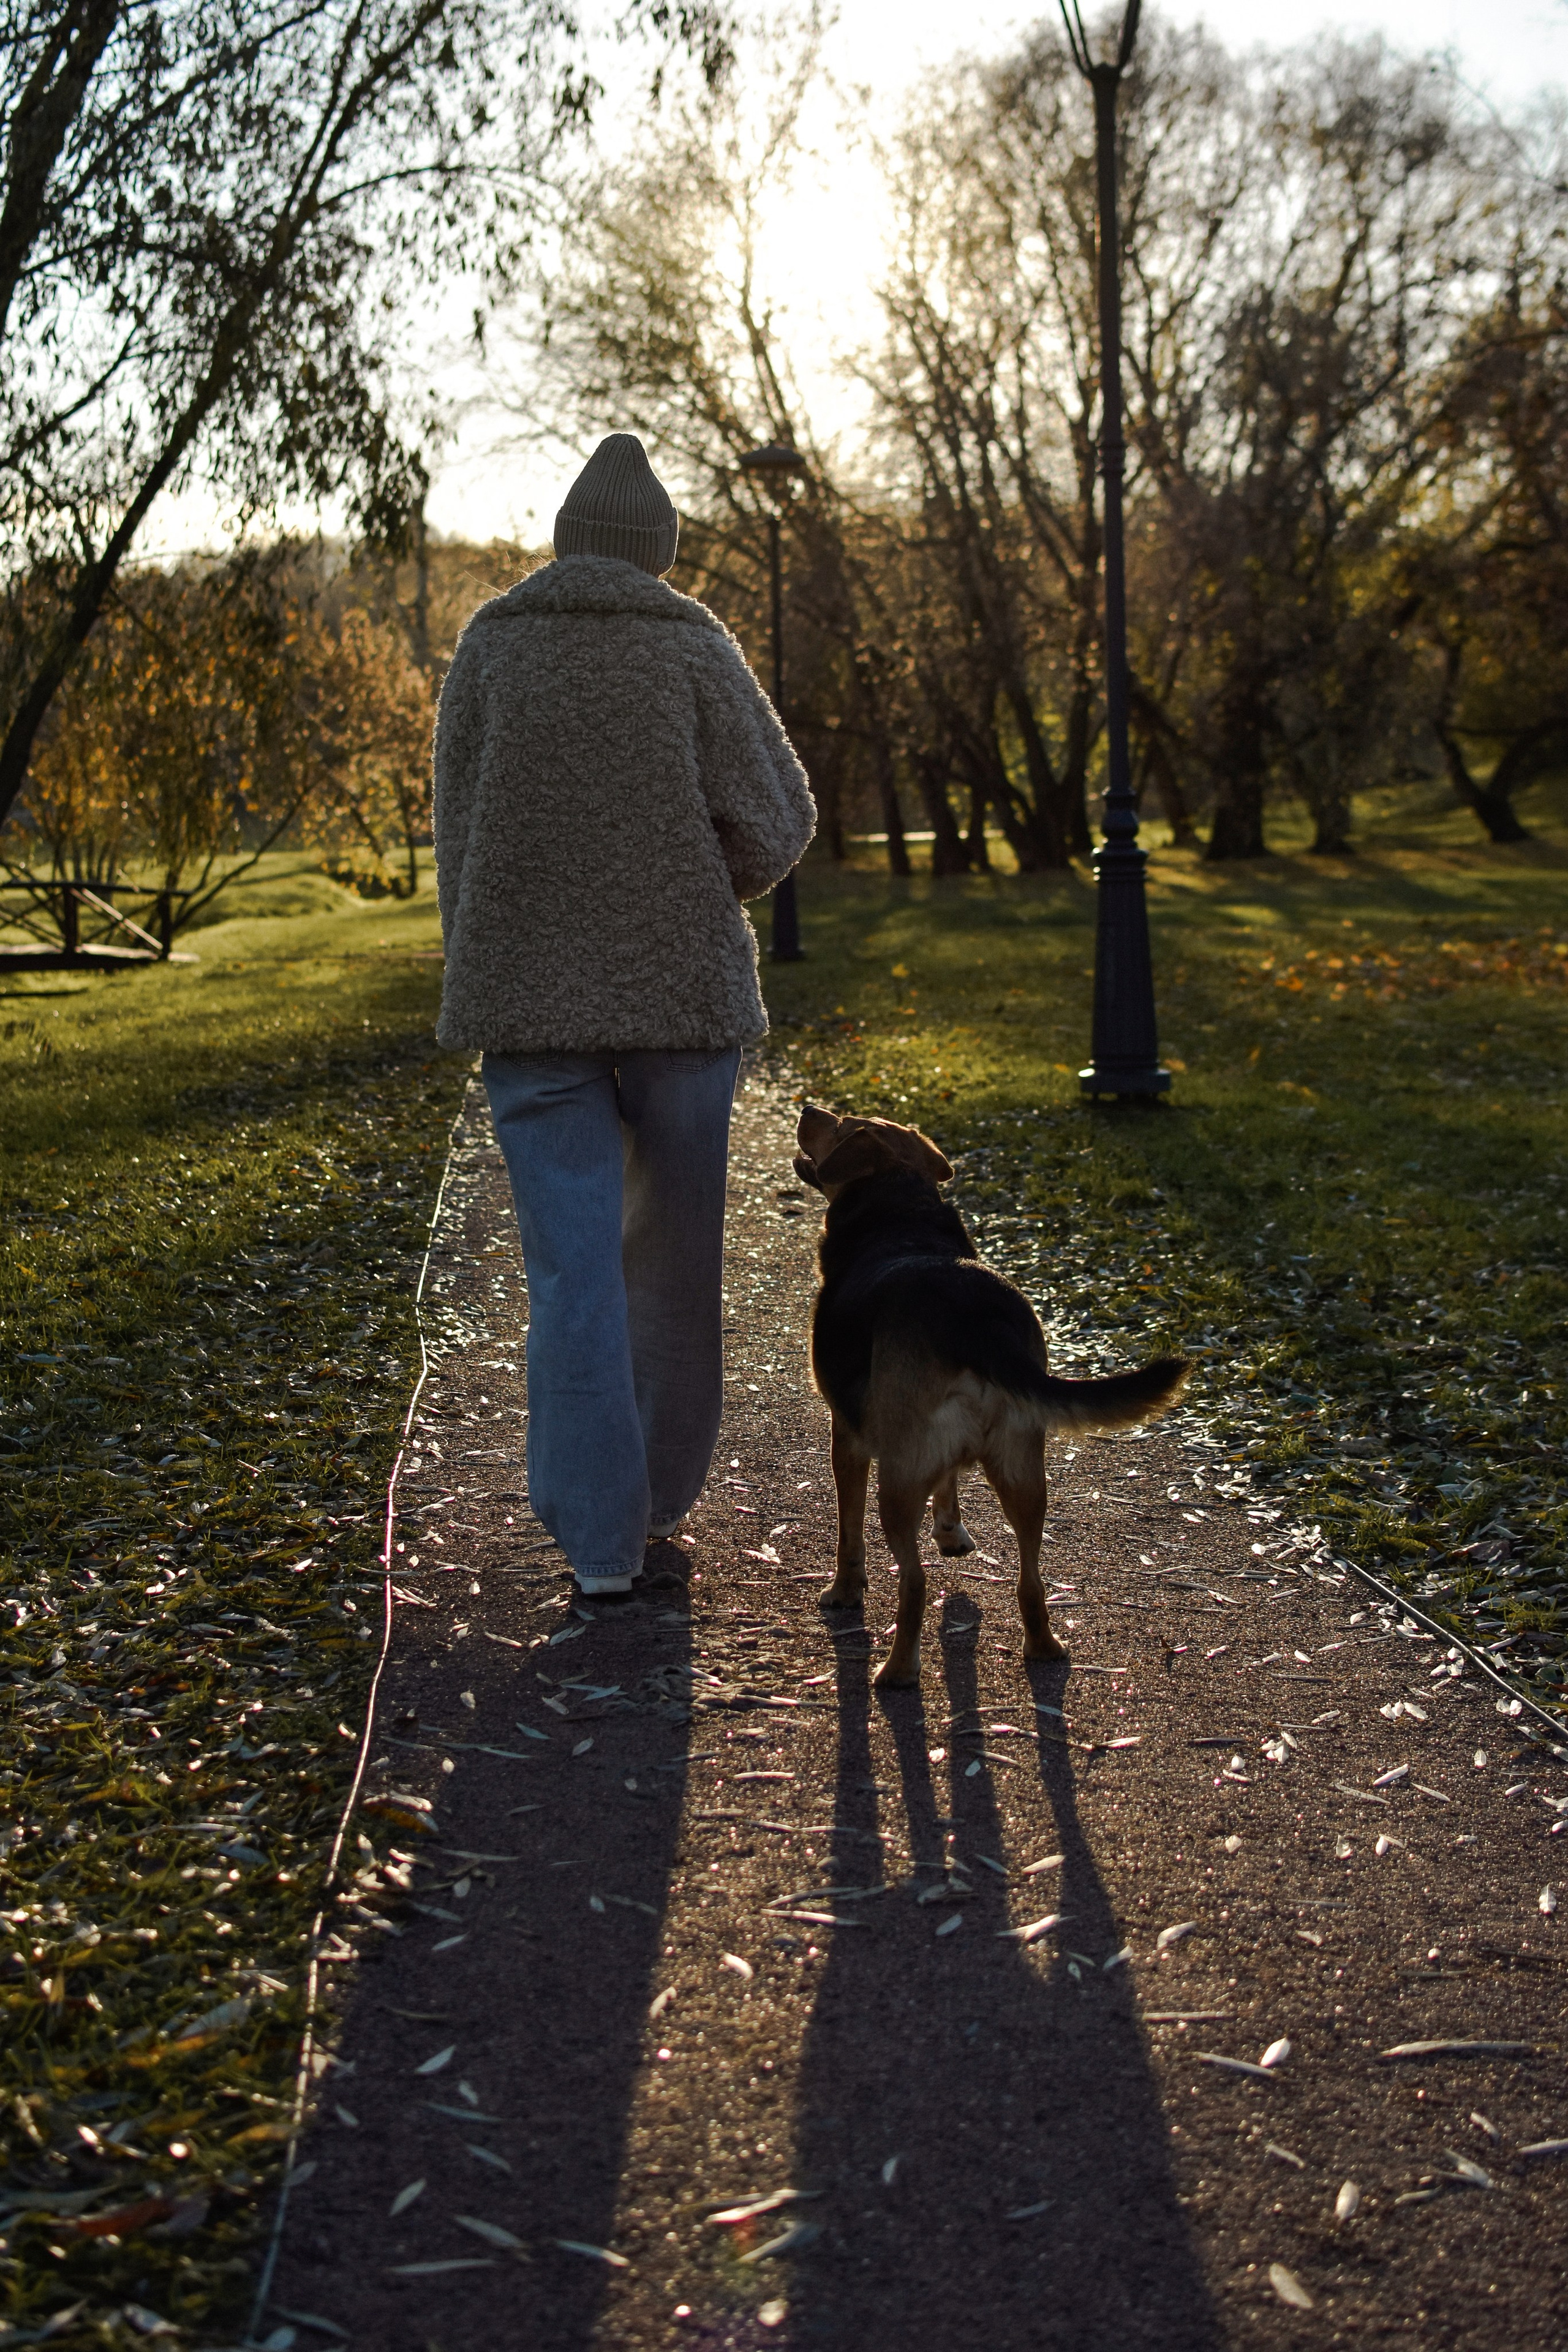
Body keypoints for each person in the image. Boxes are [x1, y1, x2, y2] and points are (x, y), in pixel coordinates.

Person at [432, 433, 815, 1596]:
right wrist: (706, 882)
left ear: (566, 543)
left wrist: (493, 937)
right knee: (673, 1265)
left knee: (572, 1275)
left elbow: (458, 831)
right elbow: (783, 819)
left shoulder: (492, 647)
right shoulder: (693, 644)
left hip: (530, 1005)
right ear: (658, 552)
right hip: (682, 998)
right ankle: (657, 1503)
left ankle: (598, 1547)